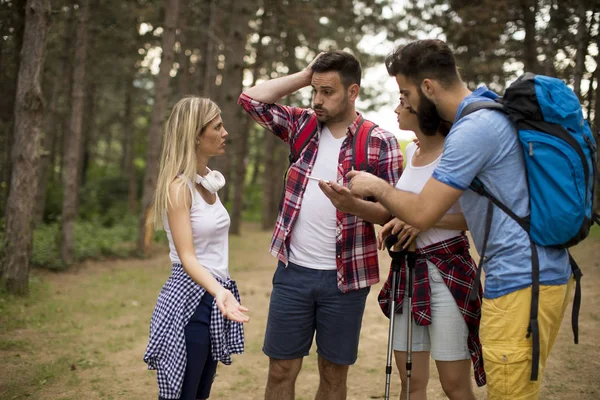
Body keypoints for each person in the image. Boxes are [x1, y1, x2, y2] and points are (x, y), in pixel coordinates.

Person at [347, 40, 572, 400]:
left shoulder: (472, 130)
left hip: (520, 279)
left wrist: (374, 185)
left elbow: (423, 212)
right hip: (525, 275)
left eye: (406, 92)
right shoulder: (488, 111)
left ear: (428, 88)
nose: (403, 102)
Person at [238, 51, 403, 400]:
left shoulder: (380, 142)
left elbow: (395, 215)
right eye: (314, 90)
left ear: (353, 91)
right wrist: (305, 74)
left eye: (327, 91)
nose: (317, 100)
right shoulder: (302, 125)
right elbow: (250, 99)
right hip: (293, 273)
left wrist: (353, 206)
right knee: (281, 368)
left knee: (333, 372)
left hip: (347, 281)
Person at [375, 92, 483, 400]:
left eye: (403, 103)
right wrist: (398, 220)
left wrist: (423, 219)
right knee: (410, 383)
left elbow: (473, 218)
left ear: (423, 112)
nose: (396, 108)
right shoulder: (411, 151)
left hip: (446, 273)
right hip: (407, 274)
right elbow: (410, 206)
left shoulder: (456, 153)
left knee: (454, 385)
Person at [143, 97, 250, 400]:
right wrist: (219, 292)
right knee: (183, 393)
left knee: (201, 392)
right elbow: (187, 256)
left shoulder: (208, 183)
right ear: (195, 135)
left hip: (214, 297)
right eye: (217, 127)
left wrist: (221, 292)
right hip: (190, 300)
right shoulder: (179, 188)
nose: (225, 132)